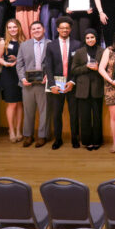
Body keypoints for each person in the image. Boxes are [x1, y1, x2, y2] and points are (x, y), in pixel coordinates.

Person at [44, 16, 81, 150]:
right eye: (62, 28)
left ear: (70, 29)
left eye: (67, 28)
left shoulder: (78, 44)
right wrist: (52, 85)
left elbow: (79, 65)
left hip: (72, 84)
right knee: (56, 114)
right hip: (56, 85)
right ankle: (58, 139)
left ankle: (75, 139)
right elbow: (48, 66)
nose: (64, 30)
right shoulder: (50, 45)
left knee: (74, 114)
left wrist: (72, 82)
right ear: (57, 29)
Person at [70, 28, 104, 151]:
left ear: (96, 38)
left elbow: (106, 69)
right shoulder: (79, 52)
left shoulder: (103, 51)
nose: (90, 40)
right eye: (88, 38)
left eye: (92, 37)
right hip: (82, 90)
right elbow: (73, 69)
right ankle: (87, 141)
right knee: (84, 117)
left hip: (97, 88)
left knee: (97, 117)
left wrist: (98, 68)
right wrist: (86, 67)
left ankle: (97, 141)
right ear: (85, 39)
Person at [16, 21, 49, 148]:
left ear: (44, 29)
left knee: (44, 111)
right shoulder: (24, 45)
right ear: (31, 31)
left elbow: (53, 64)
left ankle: (42, 136)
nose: (36, 30)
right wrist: (23, 78)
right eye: (33, 28)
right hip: (27, 84)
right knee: (28, 111)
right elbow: (19, 64)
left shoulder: (50, 44)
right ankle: (28, 135)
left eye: (38, 28)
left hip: (43, 83)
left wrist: (49, 77)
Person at [0, 19, 25, 143]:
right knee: (12, 103)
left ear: (18, 28)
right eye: (10, 27)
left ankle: (19, 130)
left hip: (21, 75)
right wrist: (6, 64)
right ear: (7, 29)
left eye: (14, 27)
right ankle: (11, 130)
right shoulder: (3, 42)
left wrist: (18, 60)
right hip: (9, 75)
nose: (12, 29)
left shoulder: (24, 41)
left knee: (20, 103)